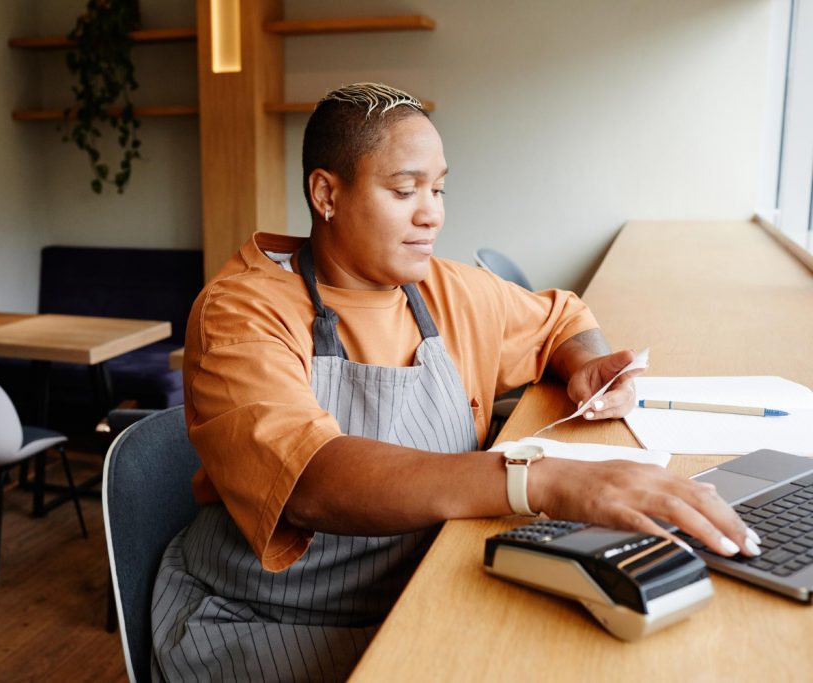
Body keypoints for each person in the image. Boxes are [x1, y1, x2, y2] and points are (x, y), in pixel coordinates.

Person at [151, 83, 761, 681]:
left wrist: (588, 364)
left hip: (421, 580)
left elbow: (564, 318)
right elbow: (311, 480)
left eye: (439, 189)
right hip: (270, 619)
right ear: (325, 194)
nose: (432, 213)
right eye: (404, 189)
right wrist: (543, 481)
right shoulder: (242, 312)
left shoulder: (446, 290)